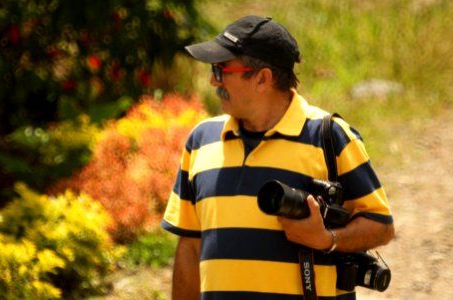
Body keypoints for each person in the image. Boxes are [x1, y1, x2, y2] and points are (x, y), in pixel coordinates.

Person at [161, 15, 394, 300]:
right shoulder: (201, 141)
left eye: (221, 70)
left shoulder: (329, 137)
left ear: (262, 79)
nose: (212, 80)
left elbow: (381, 226)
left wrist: (327, 240)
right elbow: (189, 247)